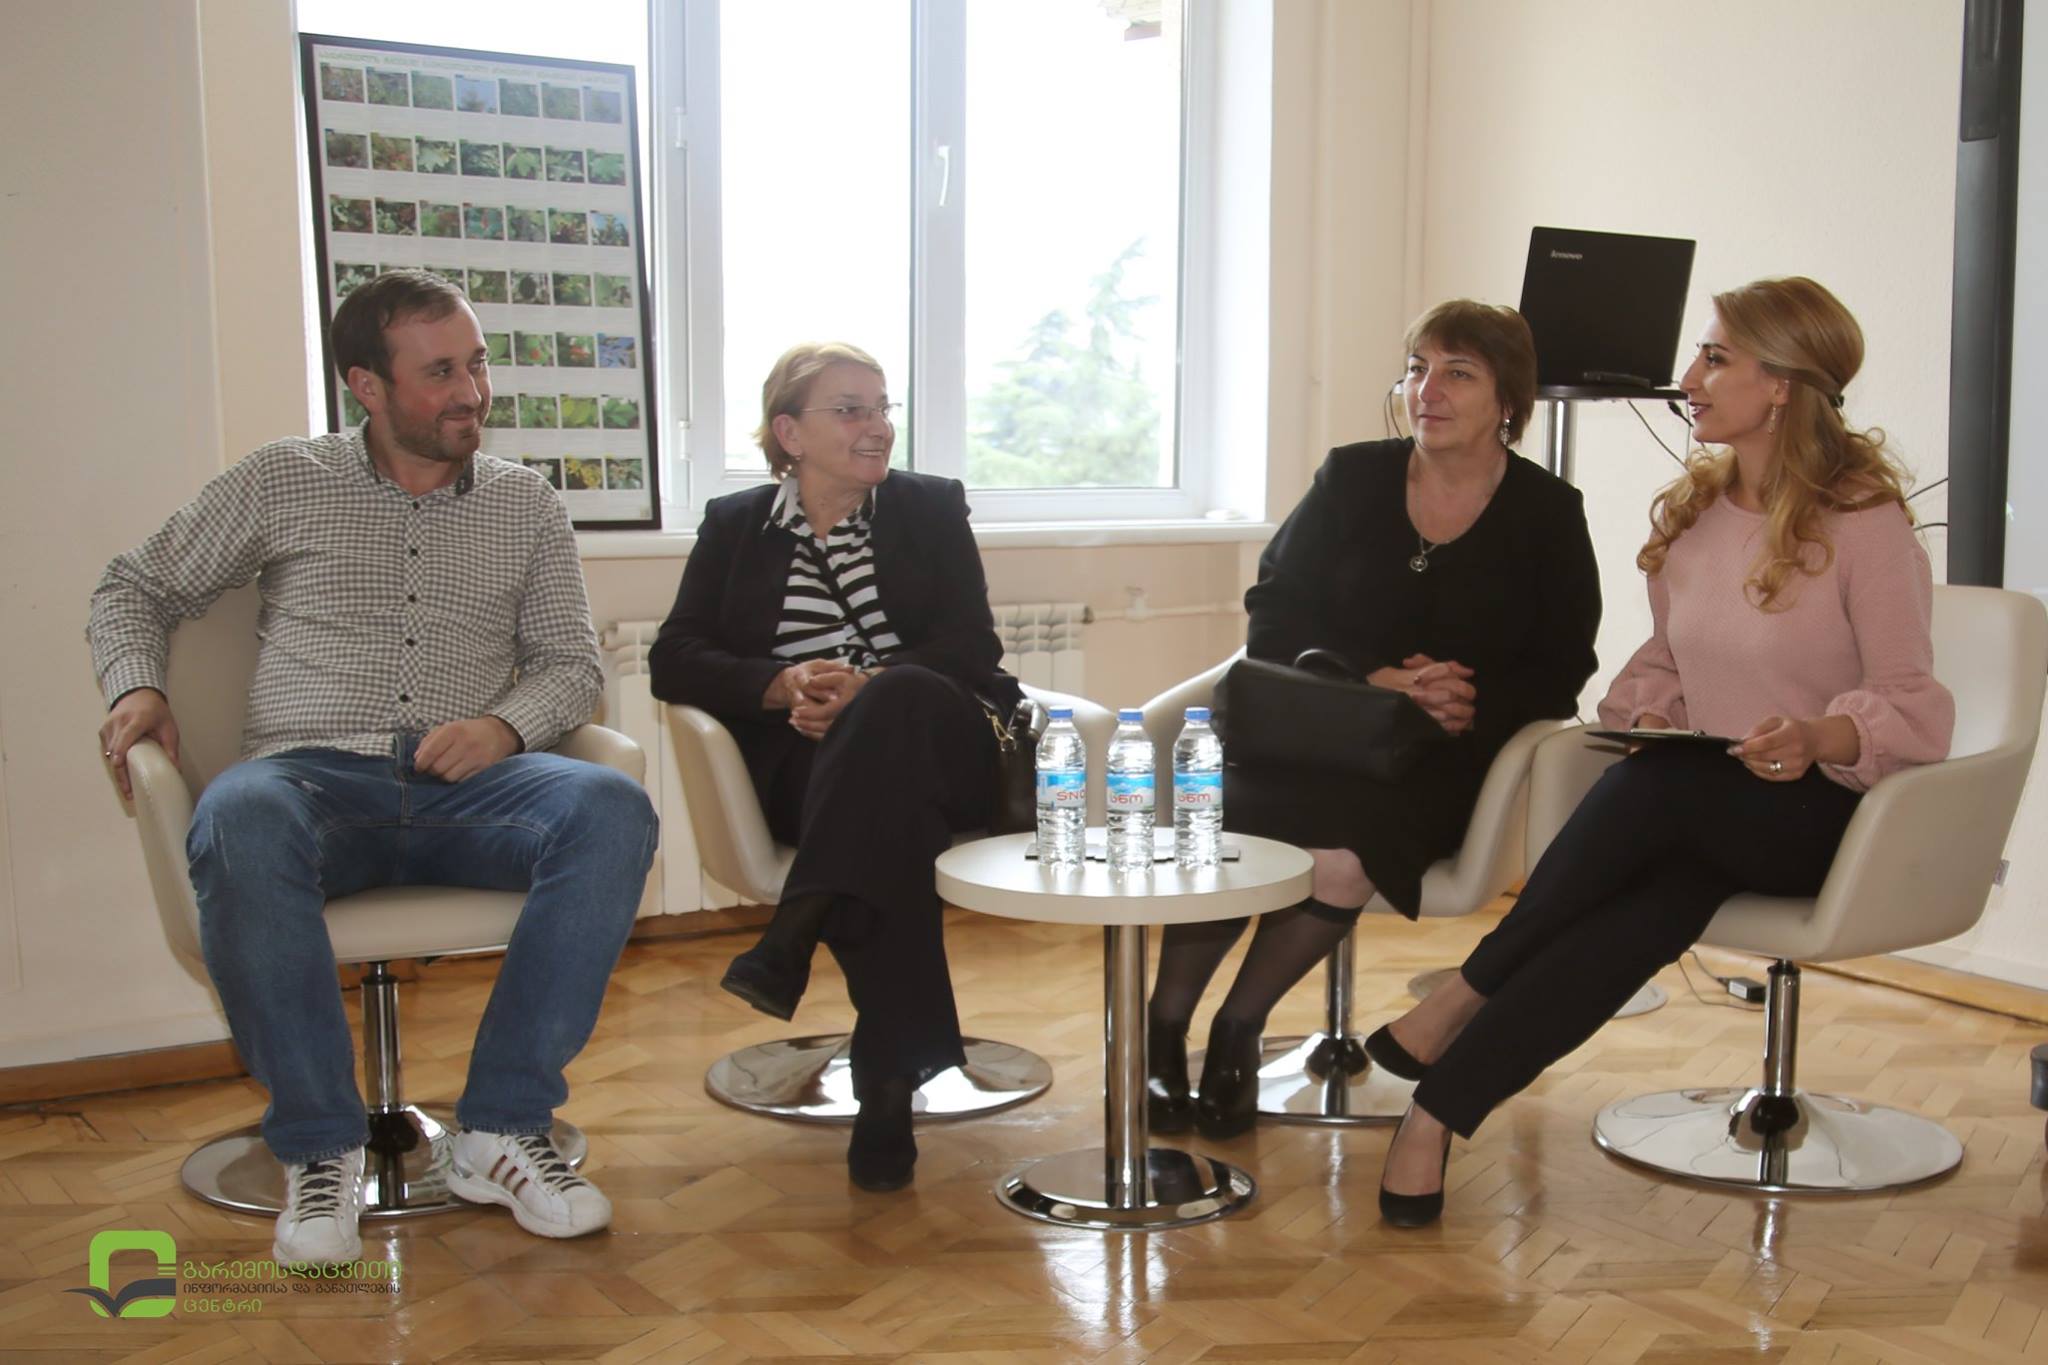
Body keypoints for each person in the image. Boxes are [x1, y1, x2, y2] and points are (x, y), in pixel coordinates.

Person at [88, 270, 657, 1265]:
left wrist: (503, 728)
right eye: (439, 373)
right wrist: (138, 686)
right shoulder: (284, 478)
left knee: (611, 806)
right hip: (313, 783)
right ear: (367, 384)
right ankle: (320, 1147)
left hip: (473, 788)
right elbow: (134, 583)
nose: (470, 393)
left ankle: (501, 1127)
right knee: (240, 813)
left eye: (476, 364)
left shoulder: (525, 503)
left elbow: (571, 666)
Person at [1367, 276, 1955, 1226]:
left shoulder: (1865, 522)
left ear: (1781, 385)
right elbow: (1669, 663)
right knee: (1647, 907)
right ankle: (1434, 1115)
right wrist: (1642, 711)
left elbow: (1912, 700)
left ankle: (1463, 993)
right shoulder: (1698, 512)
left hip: (1830, 815)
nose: (1689, 377)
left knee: (1662, 791)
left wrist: (1816, 735)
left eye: (1716, 358)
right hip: (1706, 809)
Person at [1146, 301, 1603, 1140]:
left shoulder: (1548, 511)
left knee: (1346, 852)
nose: (1428, 390)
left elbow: (1563, 663)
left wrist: (1464, 698)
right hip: (1311, 732)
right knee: (1226, 826)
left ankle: (1238, 1028)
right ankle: (1163, 1028)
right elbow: (1273, 612)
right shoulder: (1350, 477)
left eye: (1457, 372)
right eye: (1418, 367)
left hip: (1438, 759)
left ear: (1508, 399)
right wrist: (1377, 680)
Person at [648, 342, 1021, 1193]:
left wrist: (868, 685)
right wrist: (780, 685)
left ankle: (796, 929)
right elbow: (675, 656)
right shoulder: (736, 525)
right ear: (789, 433)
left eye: (883, 407)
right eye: (850, 409)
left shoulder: (929, 507)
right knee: (883, 822)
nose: (877, 426)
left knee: (892, 705)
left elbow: (973, 646)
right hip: (808, 764)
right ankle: (887, 1074)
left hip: (944, 743)